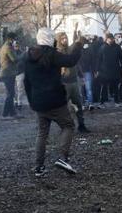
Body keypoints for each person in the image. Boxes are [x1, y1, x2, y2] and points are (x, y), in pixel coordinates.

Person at [24, 28, 82, 177]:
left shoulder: (28, 55)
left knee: (42, 133)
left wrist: (32, 102)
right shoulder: (52, 54)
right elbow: (71, 61)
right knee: (68, 125)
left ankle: (39, 167)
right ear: (51, 39)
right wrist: (79, 44)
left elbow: (26, 82)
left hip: (38, 101)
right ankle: (63, 158)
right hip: (55, 100)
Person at [56, 32, 89, 133]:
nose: (64, 40)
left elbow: (76, 63)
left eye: (65, 38)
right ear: (58, 40)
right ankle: (64, 127)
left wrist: (81, 76)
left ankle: (81, 125)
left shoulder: (70, 49)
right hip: (64, 83)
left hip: (74, 81)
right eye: (62, 38)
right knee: (63, 107)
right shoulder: (57, 52)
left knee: (78, 104)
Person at [97, 33, 122, 104]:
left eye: (112, 38)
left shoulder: (117, 47)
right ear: (106, 39)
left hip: (115, 69)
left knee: (116, 86)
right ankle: (102, 100)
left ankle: (116, 99)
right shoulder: (102, 48)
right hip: (104, 70)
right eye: (110, 38)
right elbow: (99, 60)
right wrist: (97, 70)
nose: (111, 40)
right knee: (104, 86)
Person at [0, 39, 19, 120]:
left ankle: (12, 112)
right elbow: (14, 59)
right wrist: (22, 55)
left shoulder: (6, 47)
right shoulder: (8, 48)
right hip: (8, 73)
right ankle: (5, 113)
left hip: (8, 73)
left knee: (11, 93)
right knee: (10, 94)